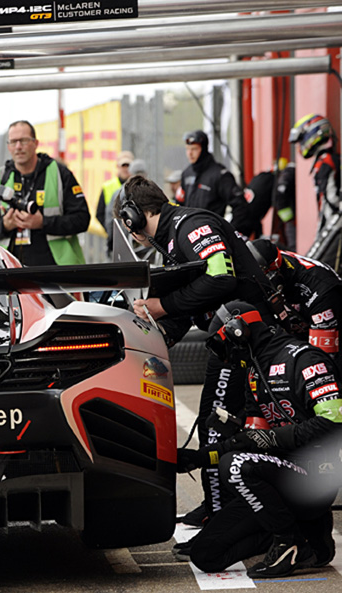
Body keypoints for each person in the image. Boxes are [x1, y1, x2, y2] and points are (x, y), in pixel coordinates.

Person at [114, 175, 275, 529]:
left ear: (134, 217)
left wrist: (162, 306)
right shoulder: (172, 238)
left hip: (249, 341)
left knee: (216, 426)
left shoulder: (192, 225)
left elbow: (220, 279)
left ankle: (224, 512)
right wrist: (155, 338)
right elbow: (194, 298)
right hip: (231, 340)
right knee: (214, 424)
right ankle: (218, 506)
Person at [181, 301, 341, 578]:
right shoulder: (255, 372)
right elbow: (250, 442)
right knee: (205, 555)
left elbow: (334, 421)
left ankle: (286, 541)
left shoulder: (305, 359)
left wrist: (270, 438)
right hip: (276, 481)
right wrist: (197, 458)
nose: (227, 357)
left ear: (238, 332)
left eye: (225, 345)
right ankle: (307, 540)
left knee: (235, 466)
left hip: (315, 476)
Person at [0, 120, 90, 266]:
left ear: (35, 143)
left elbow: (82, 219)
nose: (18, 147)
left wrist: (43, 223)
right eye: (13, 142)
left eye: (23, 141)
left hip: (56, 270)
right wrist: (5, 225)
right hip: (10, 270)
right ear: (8, 146)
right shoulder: (0, 177)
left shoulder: (59, 173)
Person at [247, 238, 342, 357]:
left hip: (324, 321)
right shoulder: (271, 259)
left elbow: (324, 357)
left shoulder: (320, 291)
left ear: (273, 275)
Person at [290, 114, 341, 255]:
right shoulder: (328, 161)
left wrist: (321, 240)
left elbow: (330, 207)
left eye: (302, 140)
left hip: (334, 234)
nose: (301, 145)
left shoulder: (326, 163)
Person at [177, 130, 250, 227]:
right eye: (187, 149)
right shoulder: (186, 173)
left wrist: (229, 231)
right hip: (189, 233)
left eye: (194, 149)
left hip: (212, 232)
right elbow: (179, 205)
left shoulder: (221, 175)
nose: (190, 153)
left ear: (203, 149)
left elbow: (240, 206)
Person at [243, 162, 296, 247]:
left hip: (247, 218)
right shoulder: (274, 180)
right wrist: (289, 220)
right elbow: (279, 197)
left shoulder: (260, 177)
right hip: (250, 220)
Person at [99, 150, 134, 256]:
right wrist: (113, 232)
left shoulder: (139, 187)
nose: (126, 168)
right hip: (115, 238)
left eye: (128, 165)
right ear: (118, 166)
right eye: (123, 165)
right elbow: (100, 213)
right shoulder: (108, 186)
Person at [104, 159, 146, 240]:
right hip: (145, 239)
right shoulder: (152, 190)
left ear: (130, 173)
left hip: (124, 238)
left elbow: (111, 217)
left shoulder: (120, 192)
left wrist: (112, 239)